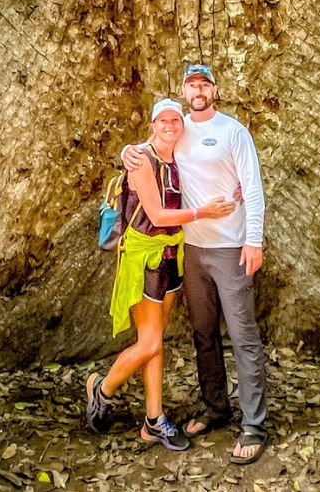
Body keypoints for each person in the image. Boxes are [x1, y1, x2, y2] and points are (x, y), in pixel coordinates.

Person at [122, 64, 269, 465]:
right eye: (192, 84)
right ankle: (215, 408)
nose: (198, 90)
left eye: (204, 83)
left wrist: (253, 239)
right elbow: (148, 148)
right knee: (203, 334)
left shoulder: (233, 131)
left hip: (231, 247)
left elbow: (252, 190)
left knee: (242, 335)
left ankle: (254, 423)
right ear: (185, 91)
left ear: (214, 89)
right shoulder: (179, 128)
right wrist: (125, 152)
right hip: (192, 248)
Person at [85, 98, 236, 451]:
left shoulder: (179, 156)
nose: (170, 125)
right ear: (153, 124)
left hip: (171, 258)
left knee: (155, 343)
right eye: (163, 120)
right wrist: (203, 213)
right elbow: (155, 214)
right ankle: (102, 388)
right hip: (144, 258)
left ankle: (154, 421)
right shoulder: (142, 159)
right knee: (150, 342)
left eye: (175, 120)